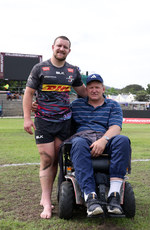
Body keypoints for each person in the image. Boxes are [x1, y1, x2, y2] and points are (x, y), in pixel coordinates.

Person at [23, 36, 87, 219]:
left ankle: (51, 197)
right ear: (53, 47)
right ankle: (46, 202)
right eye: (59, 45)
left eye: (65, 47)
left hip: (64, 122)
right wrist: (27, 118)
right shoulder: (39, 68)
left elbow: (82, 92)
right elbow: (28, 94)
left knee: (57, 160)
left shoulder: (73, 71)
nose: (61, 49)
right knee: (47, 159)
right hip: (43, 122)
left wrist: (101, 96)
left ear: (69, 50)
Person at [69, 74, 131, 217]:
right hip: (83, 138)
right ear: (86, 90)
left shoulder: (113, 105)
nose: (94, 90)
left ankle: (114, 195)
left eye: (97, 87)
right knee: (77, 143)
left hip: (106, 137)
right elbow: (60, 115)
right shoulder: (76, 105)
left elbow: (116, 127)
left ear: (103, 89)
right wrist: (38, 107)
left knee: (122, 140)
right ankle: (90, 197)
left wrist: (103, 141)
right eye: (90, 87)